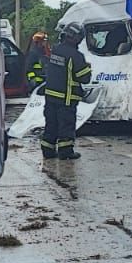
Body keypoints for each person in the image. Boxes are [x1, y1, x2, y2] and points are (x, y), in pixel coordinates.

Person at [42, 23, 92, 160]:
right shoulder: (76, 56)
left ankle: (47, 151)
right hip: (66, 99)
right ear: (77, 38)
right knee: (66, 126)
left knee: (51, 125)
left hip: (51, 96)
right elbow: (85, 78)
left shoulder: (55, 50)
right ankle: (66, 152)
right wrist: (88, 68)